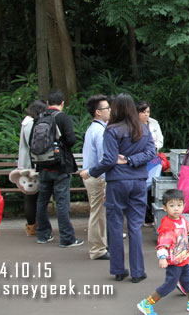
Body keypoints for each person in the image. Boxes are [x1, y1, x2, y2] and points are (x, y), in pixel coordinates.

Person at [80, 94, 156, 283]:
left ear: (116, 109)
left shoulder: (112, 130)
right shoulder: (143, 129)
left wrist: (91, 172)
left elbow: (108, 160)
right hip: (138, 181)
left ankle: (118, 269)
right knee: (135, 227)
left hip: (117, 182)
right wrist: (133, 161)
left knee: (114, 225)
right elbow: (151, 153)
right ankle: (138, 272)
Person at [137, 189, 189, 314]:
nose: (176, 209)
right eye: (172, 206)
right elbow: (163, 244)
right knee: (169, 285)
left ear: (183, 205)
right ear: (164, 208)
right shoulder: (168, 225)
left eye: (179, 205)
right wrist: (162, 258)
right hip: (174, 262)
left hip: (183, 259)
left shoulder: (182, 220)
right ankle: (147, 303)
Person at [35, 89, 84, 247]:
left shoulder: (40, 117)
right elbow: (71, 140)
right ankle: (67, 238)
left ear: (48, 103)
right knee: (62, 202)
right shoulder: (62, 117)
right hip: (60, 166)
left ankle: (43, 235)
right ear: (62, 103)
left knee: (42, 201)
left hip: (43, 165)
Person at [81, 94, 111, 260]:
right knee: (97, 214)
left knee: (97, 212)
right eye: (107, 108)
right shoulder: (100, 131)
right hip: (97, 176)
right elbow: (103, 160)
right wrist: (106, 181)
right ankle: (97, 249)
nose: (110, 110)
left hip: (91, 175)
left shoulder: (94, 128)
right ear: (98, 112)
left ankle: (100, 246)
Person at [16, 100, 47, 236]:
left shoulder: (26, 122)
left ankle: (32, 225)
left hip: (26, 164)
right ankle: (33, 227)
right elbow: (33, 144)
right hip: (31, 166)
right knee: (32, 196)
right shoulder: (30, 123)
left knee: (30, 196)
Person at [137, 100, 164, 227]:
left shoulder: (154, 123)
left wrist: (154, 147)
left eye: (148, 112)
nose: (146, 115)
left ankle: (149, 217)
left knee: (152, 188)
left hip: (153, 159)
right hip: (139, 159)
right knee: (141, 187)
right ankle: (140, 215)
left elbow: (160, 140)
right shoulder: (133, 125)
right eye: (143, 112)